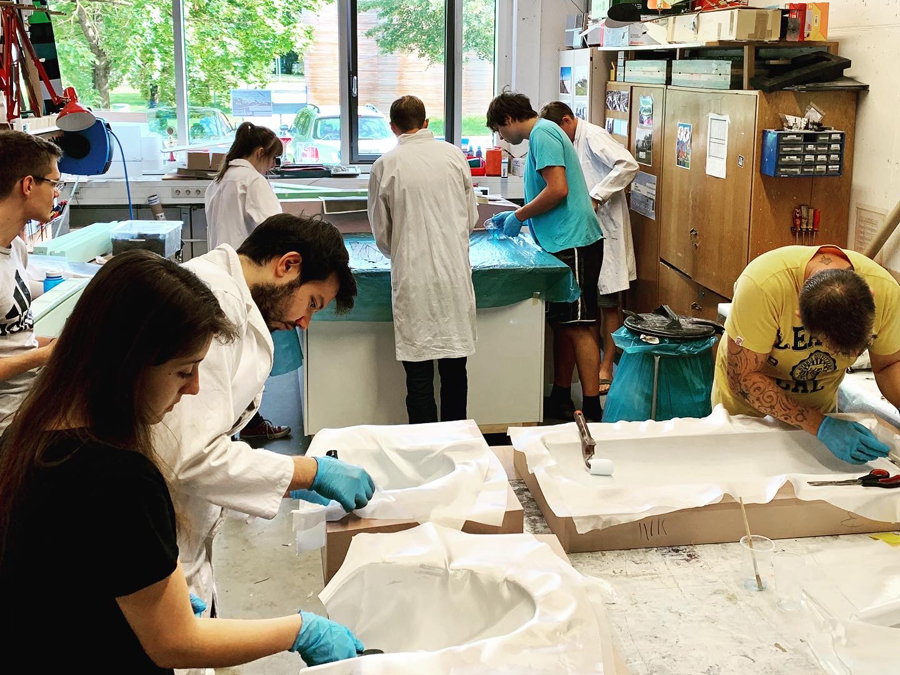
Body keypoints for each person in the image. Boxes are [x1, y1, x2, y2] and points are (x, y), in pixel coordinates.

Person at [0, 250, 364, 671]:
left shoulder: (26, 435)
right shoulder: (119, 478)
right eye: (182, 371)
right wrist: (297, 630)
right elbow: (175, 642)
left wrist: (147, 586)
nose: (193, 389)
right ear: (130, 362)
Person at [153, 213, 375, 619]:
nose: (305, 322)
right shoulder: (213, 305)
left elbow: (210, 440)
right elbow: (189, 455)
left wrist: (284, 482)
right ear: (287, 264)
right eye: (312, 303)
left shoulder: (235, 299)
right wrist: (305, 472)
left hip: (182, 522)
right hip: (154, 527)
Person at [713, 244, 900, 464]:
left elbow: (888, 365)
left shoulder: (886, 291)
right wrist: (821, 426)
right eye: (836, 349)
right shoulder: (763, 286)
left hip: (820, 411)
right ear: (801, 317)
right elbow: (743, 378)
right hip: (748, 415)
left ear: (871, 295)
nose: (850, 356)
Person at [486, 91, 605, 422]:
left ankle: (592, 407)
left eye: (499, 129)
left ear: (509, 120)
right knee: (562, 325)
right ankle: (561, 397)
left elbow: (557, 189)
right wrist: (514, 214)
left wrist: (519, 216)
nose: (502, 138)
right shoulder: (542, 136)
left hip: (575, 242)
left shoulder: (543, 134)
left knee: (580, 326)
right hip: (559, 242)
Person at [368, 95, 479, 423]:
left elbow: (382, 235)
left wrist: (404, 250)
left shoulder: (385, 165)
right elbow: (470, 217)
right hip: (454, 276)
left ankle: (424, 449)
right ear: (427, 122)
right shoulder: (455, 156)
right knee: (455, 372)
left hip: (413, 279)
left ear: (393, 127)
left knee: (417, 378)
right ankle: (460, 444)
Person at [540, 101, 639, 395]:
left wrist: (597, 196)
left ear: (568, 120)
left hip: (605, 230)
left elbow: (629, 164)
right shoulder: (571, 141)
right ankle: (591, 368)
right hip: (585, 235)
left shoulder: (593, 136)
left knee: (608, 303)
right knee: (587, 310)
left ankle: (607, 366)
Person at [206, 121, 289, 441]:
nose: (271, 168)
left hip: (219, 275)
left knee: (230, 356)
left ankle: (238, 424)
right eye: (272, 160)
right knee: (250, 356)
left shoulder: (220, 180)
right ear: (259, 153)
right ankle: (250, 423)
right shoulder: (251, 181)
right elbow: (278, 229)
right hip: (246, 280)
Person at [0, 131, 62, 433]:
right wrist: (44, 355)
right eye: (54, 183)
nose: (57, 193)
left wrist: (57, 345)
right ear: (27, 185)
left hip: (28, 411)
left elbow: (11, 339)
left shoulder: (16, 248)